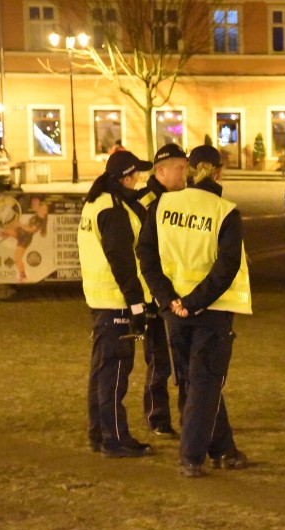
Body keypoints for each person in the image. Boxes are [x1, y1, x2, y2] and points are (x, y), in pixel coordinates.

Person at [136, 144, 250, 478]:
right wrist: (194, 301)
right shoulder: (225, 211)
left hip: (174, 310)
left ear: (189, 170)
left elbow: (146, 254)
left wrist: (169, 298)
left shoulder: (162, 206)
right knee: (205, 382)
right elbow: (226, 267)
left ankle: (223, 448)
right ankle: (192, 456)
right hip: (211, 309)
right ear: (218, 172)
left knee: (191, 380)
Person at [77, 150, 155, 458]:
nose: (139, 182)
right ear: (126, 177)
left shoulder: (97, 202)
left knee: (101, 370)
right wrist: (137, 305)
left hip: (101, 299)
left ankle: (99, 432)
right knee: (115, 372)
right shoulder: (113, 209)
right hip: (117, 300)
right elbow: (123, 262)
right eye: (136, 176)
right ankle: (115, 438)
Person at [135, 144, 189, 439]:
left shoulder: (181, 199)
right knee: (158, 360)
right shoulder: (147, 202)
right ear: (161, 170)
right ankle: (157, 417)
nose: (185, 172)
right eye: (179, 167)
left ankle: (186, 416)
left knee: (181, 361)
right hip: (153, 295)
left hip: (176, 292)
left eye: (186, 167)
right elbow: (143, 252)